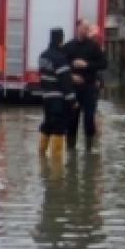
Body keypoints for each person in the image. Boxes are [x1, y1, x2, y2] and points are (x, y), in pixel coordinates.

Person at [62, 19, 108, 150]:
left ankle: (89, 149)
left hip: (89, 87)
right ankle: (71, 149)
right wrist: (71, 75)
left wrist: (87, 65)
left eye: (88, 29)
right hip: (73, 88)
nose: (87, 31)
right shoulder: (68, 46)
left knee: (89, 120)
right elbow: (60, 66)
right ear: (77, 28)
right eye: (84, 28)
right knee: (72, 120)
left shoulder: (93, 47)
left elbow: (104, 63)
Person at [37, 27, 76, 158]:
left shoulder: (43, 56)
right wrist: (73, 102)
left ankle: (41, 156)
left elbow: (43, 77)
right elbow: (66, 84)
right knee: (58, 129)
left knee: (47, 126)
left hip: (46, 99)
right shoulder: (60, 58)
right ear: (61, 40)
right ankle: (56, 168)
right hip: (58, 101)